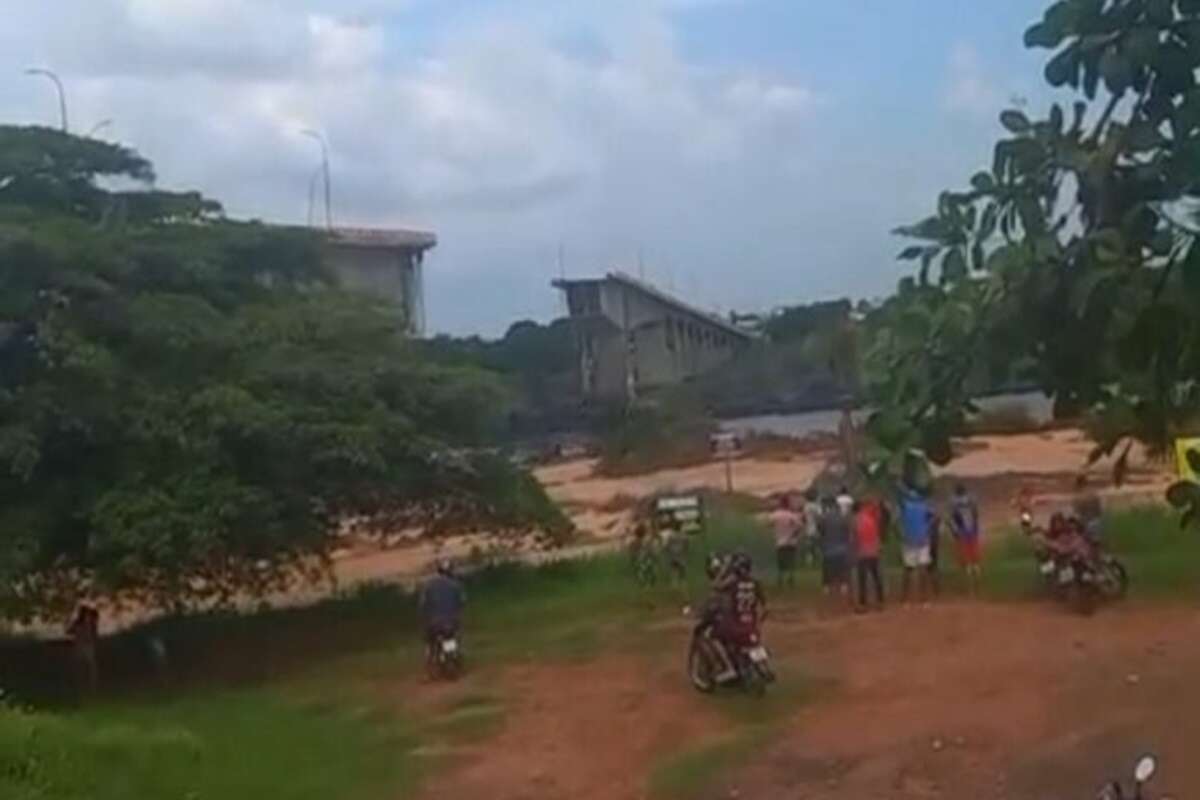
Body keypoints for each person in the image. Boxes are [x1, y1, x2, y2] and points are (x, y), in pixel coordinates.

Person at [419, 559, 467, 675]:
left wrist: (426, 617)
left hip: (433, 623)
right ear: (451, 572)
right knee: (451, 640)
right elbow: (462, 603)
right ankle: (453, 661)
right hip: (449, 623)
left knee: (430, 644)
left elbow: (422, 604)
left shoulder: (428, 585)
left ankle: (429, 668)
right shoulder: (456, 586)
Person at [898, 484, 933, 605]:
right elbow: (933, 516)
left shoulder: (906, 507)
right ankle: (925, 599)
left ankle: (905, 599)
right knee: (923, 570)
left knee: (908, 570)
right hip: (922, 540)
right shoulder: (924, 507)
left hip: (909, 541)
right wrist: (927, 527)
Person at [817, 495, 852, 604]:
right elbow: (847, 532)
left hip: (828, 547)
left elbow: (821, 531)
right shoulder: (843, 517)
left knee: (827, 568)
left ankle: (826, 588)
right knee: (842, 568)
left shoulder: (824, 517)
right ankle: (844, 586)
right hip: (841, 547)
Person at [950, 483, 983, 595]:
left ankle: (970, 590)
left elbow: (953, 520)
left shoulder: (954, 503)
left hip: (963, 534)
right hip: (973, 533)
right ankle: (977, 588)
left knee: (967, 563)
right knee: (975, 562)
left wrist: (955, 532)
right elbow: (976, 516)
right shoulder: (971, 501)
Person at [853, 499, 885, 611]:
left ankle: (863, 604)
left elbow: (855, 536)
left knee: (862, 579)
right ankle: (880, 602)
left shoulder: (858, 519)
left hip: (863, 552)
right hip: (874, 551)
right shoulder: (872, 517)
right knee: (876, 577)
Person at [66, 603, 100, 697]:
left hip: (85, 647)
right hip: (81, 647)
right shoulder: (81, 623)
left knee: (89, 668)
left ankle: (90, 687)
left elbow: (94, 635)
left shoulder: (89, 623)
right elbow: (69, 631)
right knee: (82, 668)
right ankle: (82, 687)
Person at [769, 495, 802, 587]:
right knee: (790, 560)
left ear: (780, 503)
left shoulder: (776, 515)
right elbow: (800, 526)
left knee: (781, 561)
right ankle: (791, 577)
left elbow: (768, 523)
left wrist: (775, 528)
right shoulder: (792, 515)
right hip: (791, 541)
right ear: (788, 504)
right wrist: (794, 534)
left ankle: (780, 578)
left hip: (780, 541)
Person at [1073, 474, 1103, 544]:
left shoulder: (1078, 496)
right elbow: (1099, 509)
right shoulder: (1094, 494)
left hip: (1085, 524)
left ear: (1079, 484)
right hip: (1095, 521)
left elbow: (1077, 512)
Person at [802, 488, 822, 566]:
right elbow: (819, 517)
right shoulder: (816, 506)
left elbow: (804, 518)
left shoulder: (806, 506)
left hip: (808, 528)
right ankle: (818, 560)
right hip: (816, 528)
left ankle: (809, 561)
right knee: (818, 545)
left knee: (809, 546)